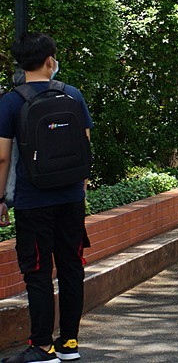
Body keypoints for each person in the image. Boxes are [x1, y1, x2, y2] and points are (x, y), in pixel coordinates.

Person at [0, 33, 92, 362]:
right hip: (70, 197)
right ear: (50, 60)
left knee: (37, 272)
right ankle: (69, 343)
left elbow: (2, 157)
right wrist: (80, 185)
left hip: (32, 199)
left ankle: (41, 346)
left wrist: (0, 199)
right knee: (71, 267)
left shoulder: (11, 101)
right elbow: (84, 143)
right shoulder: (73, 94)